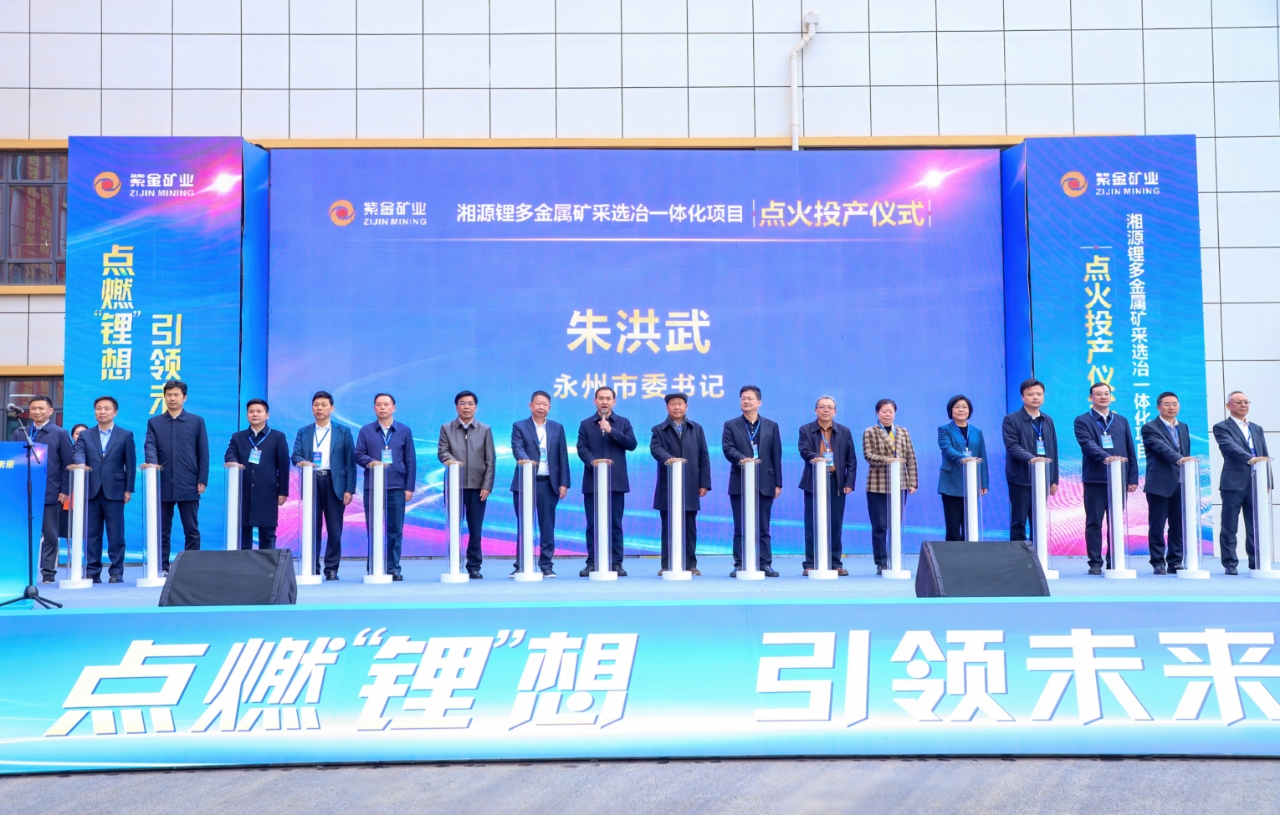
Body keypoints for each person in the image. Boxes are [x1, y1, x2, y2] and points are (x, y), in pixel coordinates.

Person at [1073, 382, 1139, 575]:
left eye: (1106, 393)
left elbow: (1130, 449)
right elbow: (1087, 444)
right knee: (1094, 522)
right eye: (1099, 394)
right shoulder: (1082, 420)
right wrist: (1107, 458)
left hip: (1119, 479)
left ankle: (1114, 560)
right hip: (1095, 479)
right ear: (1090, 398)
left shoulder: (1121, 420)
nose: (1103, 397)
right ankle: (1095, 562)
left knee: (1116, 521)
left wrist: (1132, 477)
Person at [144, 380, 209, 574]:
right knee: (162, 529)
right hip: (162, 482)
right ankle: (162, 566)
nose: (172, 398)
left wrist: (202, 479)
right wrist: (153, 467)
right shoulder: (155, 422)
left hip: (189, 482)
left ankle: (191, 567)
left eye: (176, 395)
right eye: (169, 395)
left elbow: (203, 452)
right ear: (164, 397)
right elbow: (150, 446)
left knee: (191, 528)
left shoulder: (196, 421)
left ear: (184, 397)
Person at [292, 390, 356, 580]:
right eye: (316, 405)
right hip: (311, 481)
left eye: (323, 405)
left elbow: (350, 462)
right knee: (312, 528)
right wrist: (303, 462)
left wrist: (349, 488)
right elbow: (295, 455)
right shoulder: (304, 431)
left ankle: (331, 568)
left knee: (335, 529)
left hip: (335, 483)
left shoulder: (343, 431)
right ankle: (312, 566)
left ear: (332, 408)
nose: (319, 408)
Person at [71, 396, 135, 583]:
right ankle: (92, 571)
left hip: (115, 490)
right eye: (98, 408)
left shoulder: (125, 435)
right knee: (92, 534)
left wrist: (128, 489)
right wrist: (80, 465)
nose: (102, 412)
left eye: (106, 408)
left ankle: (116, 571)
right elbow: (78, 453)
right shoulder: (85, 435)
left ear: (115, 412)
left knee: (116, 534)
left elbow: (130, 464)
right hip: (90, 490)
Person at [354, 393, 416, 581]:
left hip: (397, 487)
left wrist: (409, 488)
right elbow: (358, 454)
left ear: (393, 408)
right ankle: (374, 566)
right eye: (379, 404)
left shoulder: (404, 430)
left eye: (386, 404)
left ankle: (393, 567)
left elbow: (410, 460)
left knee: (395, 530)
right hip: (373, 488)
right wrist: (372, 462)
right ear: (374, 408)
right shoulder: (366, 430)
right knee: (373, 529)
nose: (382, 407)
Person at [723, 385, 782, 577]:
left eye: (749, 398)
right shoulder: (730, 425)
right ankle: (740, 563)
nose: (746, 401)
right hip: (740, 481)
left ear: (759, 402)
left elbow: (776, 455)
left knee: (763, 526)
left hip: (765, 482)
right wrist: (743, 459)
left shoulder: (771, 426)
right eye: (743, 398)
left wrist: (778, 483)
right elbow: (728, 449)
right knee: (740, 526)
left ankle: (765, 563)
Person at [577, 386, 637, 577]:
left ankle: (616, 562)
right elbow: (582, 448)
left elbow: (632, 444)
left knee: (615, 524)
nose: (604, 402)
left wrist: (612, 431)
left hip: (615, 482)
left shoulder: (623, 422)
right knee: (592, 524)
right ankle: (592, 562)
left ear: (614, 402)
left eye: (608, 398)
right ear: (595, 401)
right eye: (601, 398)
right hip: (593, 481)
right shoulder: (586, 424)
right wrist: (593, 462)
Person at [12, 395, 73, 583]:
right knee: (25, 533)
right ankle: (25, 571)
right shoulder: (20, 433)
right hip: (24, 492)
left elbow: (67, 464)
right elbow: (14, 461)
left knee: (50, 534)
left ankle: (48, 573)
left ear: (50, 411)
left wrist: (64, 490)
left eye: (41, 408)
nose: (37, 412)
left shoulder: (60, 433)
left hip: (50, 491)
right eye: (33, 408)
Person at [510, 390, 570, 577]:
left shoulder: (557, 428)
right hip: (524, 484)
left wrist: (564, 483)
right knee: (524, 524)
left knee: (547, 525)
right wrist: (526, 461)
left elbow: (562, 456)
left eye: (545, 404)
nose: (541, 407)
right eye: (538, 403)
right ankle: (521, 564)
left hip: (548, 484)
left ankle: (546, 565)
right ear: (531, 405)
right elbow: (517, 447)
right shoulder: (519, 426)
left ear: (549, 407)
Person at [650, 393, 711, 576]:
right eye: (672, 404)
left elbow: (703, 456)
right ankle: (667, 564)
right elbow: (656, 449)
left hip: (690, 484)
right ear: (667, 407)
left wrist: (704, 483)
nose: (676, 407)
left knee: (690, 527)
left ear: (686, 407)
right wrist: (670, 459)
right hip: (668, 485)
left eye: (680, 404)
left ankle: (690, 564)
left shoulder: (696, 429)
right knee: (668, 527)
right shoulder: (659, 430)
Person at [438, 390, 496, 579]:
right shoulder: (446, 428)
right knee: (454, 527)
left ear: (476, 407)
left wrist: (487, 485)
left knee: (475, 529)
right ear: (456, 407)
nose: (466, 407)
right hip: (454, 486)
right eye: (462, 403)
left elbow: (490, 460)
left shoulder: (485, 430)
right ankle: (454, 562)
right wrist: (453, 462)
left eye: (470, 403)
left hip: (478, 487)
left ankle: (474, 566)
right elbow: (442, 452)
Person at [1213, 391, 1271, 575]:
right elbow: (1230, 447)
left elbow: (1264, 454)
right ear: (1228, 406)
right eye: (1239, 402)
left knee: (1255, 524)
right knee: (1229, 525)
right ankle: (1230, 563)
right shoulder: (1222, 427)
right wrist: (1250, 458)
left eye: (1246, 402)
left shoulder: (1256, 428)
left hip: (1256, 482)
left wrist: (1268, 480)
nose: (1243, 405)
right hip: (1233, 482)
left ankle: (1256, 562)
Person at [798, 395, 856, 575]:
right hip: (813, 481)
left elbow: (851, 459)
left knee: (835, 524)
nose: (826, 410)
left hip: (836, 482)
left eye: (829, 407)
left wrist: (849, 482)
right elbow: (804, 450)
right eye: (822, 407)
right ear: (816, 410)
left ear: (835, 412)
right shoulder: (806, 429)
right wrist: (816, 457)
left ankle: (835, 562)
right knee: (812, 523)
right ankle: (810, 563)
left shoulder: (844, 431)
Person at [224, 399, 290, 550]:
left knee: (267, 533)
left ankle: (267, 563)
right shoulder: (238, 437)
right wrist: (233, 461)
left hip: (267, 492)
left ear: (267, 415)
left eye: (259, 411)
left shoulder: (277, 437)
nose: (255, 414)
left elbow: (283, 465)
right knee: (243, 531)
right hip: (243, 491)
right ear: (247, 415)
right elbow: (229, 453)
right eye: (251, 411)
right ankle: (244, 563)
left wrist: (283, 491)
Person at [862, 398, 918, 575]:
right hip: (877, 485)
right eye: (884, 411)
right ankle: (881, 562)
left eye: (891, 411)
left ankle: (895, 558)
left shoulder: (903, 431)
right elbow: (868, 455)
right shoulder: (870, 432)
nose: (887, 414)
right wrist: (889, 460)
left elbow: (910, 456)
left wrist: (913, 482)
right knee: (880, 526)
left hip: (900, 484)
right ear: (877, 413)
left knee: (895, 524)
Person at [1141, 391, 1194, 575]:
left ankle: (1175, 561)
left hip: (1181, 482)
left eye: (1175, 404)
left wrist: (1185, 462)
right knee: (1157, 525)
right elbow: (1161, 448)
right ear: (1158, 407)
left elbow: (1186, 451)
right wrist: (1180, 458)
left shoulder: (1183, 427)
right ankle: (1157, 561)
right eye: (1167, 404)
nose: (1172, 407)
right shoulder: (1150, 427)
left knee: (1178, 525)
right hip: (1159, 483)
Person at [1002, 378, 1060, 541]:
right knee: (1019, 521)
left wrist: (1053, 479)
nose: (1035, 397)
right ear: (1023, 397)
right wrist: (1033, 459)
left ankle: (1037, 553)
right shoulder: (1011, 419)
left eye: (1039, 394)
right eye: (1031, 394)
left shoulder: (1047, 420)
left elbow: (1053, 450)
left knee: (1039, 520)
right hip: (1020, 478)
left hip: (1042, 479)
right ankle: (1017, 554)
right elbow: (1012, 446)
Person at [937, 395, 989, 542]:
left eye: (964, 407)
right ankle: (953, 554)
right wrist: (963, 458)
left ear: (969, 410)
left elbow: (982, 456)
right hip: (951, 482)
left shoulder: (977, 431)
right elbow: (946, 448)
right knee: (953, 526)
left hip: (971, 482)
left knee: (970, 524)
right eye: (957, 407)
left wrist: (984, 482)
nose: (961, 410)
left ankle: (970, 553)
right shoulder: (944, 429)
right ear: (951, 410)